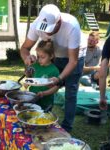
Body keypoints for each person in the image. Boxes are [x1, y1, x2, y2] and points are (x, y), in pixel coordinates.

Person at [20, 4, 84, 132]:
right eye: (45, 30)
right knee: (49, 86)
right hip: (54, 56)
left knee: (70, 94)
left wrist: (59, 79)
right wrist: (27, 59)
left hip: (74, 57)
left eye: (50, 29)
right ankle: (41, 116)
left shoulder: (71, 26)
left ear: (59, 21)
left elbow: (73, 61)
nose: (47, 32)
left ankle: (66, 128)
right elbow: (25, 48)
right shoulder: (37, 24)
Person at [24, 40, 60, 110]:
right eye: (38, 56)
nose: (39, 60)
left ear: (51, 56)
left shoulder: (54, 70)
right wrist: (27, 79)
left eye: (42, 57)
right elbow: (31, 79)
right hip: (33, 98)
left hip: (46, 102)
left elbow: (56, 88)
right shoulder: (35, 65)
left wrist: (44, 93)